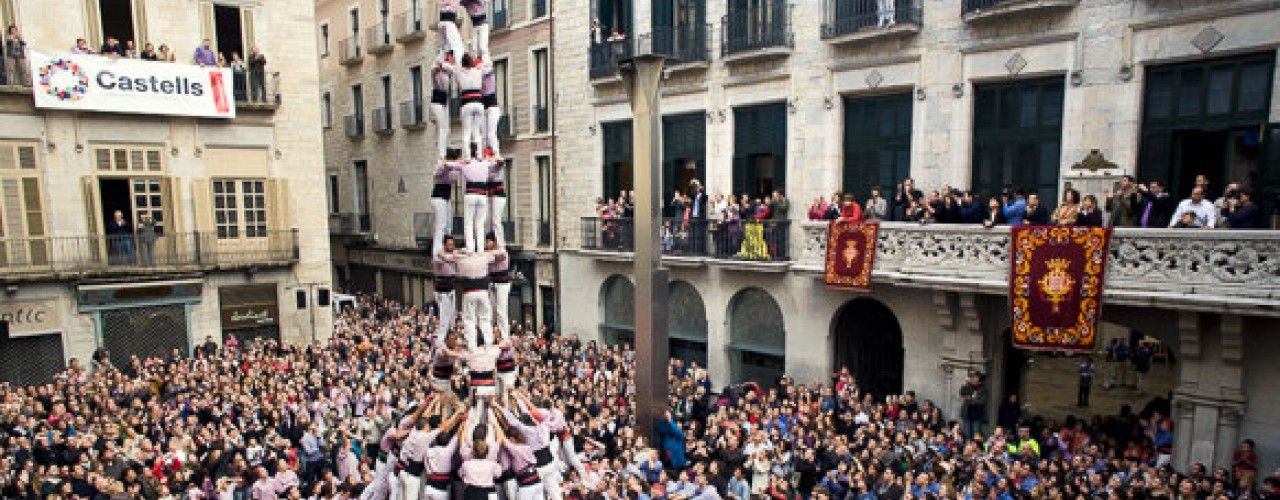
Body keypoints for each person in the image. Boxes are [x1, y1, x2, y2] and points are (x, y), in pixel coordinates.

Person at [439, 54, 493, 159]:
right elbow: (489, 66)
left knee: (466, 132)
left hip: (466, 103)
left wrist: (451, 63)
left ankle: (467, 157)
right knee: (477, 131)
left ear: (462, 63)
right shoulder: (478, 71)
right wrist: (479, 66)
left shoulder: (458, 71)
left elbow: (444, 66)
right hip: (479, 102)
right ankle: (479, 155)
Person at [457, 248, 504, 350]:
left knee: (469, 319)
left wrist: (461, 251)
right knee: (485, 318)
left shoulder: (462, 259)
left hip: (469, 291)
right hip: (483, 291)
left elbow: (453, 256)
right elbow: (500, 252)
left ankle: (472, 345)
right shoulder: (483, 257)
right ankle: (488, 342)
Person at [433, 236, 461, 346]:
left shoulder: (452, 255)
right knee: (444, 317)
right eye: (449, 244)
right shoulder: (438, 257)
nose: (451, 246)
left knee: (452, 317)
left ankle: (451, 339)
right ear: (444, 245)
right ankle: (440, 343)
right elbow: (442, 258)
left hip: (451, 289)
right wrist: (453, 256)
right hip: (441, 291)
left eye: (452, 244)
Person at [485, 234, 512, 339]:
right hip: (492, 283)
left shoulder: (502, 251)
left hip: (502, 284)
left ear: (494, 242)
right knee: (491, 311)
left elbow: (498, 254)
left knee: (501, 310)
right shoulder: (488, 254)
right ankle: (490, 334)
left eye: (488, 241)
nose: (486, 244)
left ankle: (505, 335)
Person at [486, 151, 508, 247]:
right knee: (488, 220)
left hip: (498, 194)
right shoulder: (485, 165)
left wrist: (493, 158)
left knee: (496, 220)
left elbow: (501, 161)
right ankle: (489, 241)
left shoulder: (496, 164)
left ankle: (500, 244)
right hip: (489, 194)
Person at [959, 372, 987, 438]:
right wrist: (966, 383)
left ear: (980, 382)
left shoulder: (983, 390)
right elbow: (962, 392)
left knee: (976, 433)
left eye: (976, 380)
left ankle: (975, 446)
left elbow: (981, 401)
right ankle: (967, 446)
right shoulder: (969, 386)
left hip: (977, 415)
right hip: (967, 414)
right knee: (966, 433)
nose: (973, 381)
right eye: (973, 379)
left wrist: (970, 399)